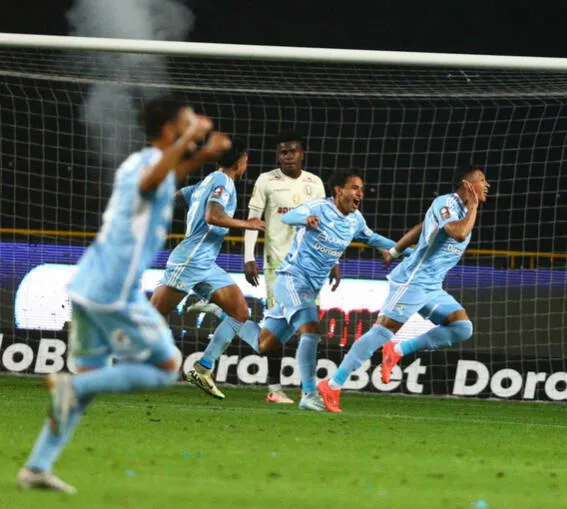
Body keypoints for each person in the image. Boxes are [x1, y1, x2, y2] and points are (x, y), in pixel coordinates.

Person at [17, 96, 228, 493]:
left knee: (91, 378)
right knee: (167, 367)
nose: (194, 128)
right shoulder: (148, 167)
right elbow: (153, 181)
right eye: (187, 123)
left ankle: (37, 466)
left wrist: (202, 155)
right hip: (113, 291)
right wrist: (193, 143)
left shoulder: (148, 164)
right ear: (170, 131)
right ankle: (71, 387)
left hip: (89, 286)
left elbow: (164, 176)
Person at [197, 168, 410, 411]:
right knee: (312, 328)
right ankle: (309, 394)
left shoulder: (356, 219)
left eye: (361, 189)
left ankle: (223, 312)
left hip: (309, 287)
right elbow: (288, 218)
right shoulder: (319, 207)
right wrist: (304, 219)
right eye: (354, 187)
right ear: (339, 191)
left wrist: (408, 252)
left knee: (264, 344)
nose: (360, 193)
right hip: (291, 279)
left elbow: (374, 239)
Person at [317, 165, 490, 413]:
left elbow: (423, 226)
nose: (487, 185)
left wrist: (396, 250)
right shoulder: (449, 204)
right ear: (467, 184)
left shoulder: (458, 210)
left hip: (431, 286)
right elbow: (458, 233)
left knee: (462, 327)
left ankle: (397, 350)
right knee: (381, 332)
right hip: (413, 281)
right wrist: (473, 207)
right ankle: (332, 384)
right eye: (482, 180)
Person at [189, 130, 338, 404]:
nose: (287, 157)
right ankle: (277, 388)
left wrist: (334, 260)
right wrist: (248, 256)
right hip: (278, 267)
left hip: (311, 268)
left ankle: (222, 312)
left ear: (302, 153)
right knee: (288, 329)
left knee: (291, 330)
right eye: (282, 152)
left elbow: (326, 225)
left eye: (292, 151)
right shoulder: (266, 181)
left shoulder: (315, 184)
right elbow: (253, 219)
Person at [149, 138, 264, 400]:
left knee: (239, 311)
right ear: (239, 163)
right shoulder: (223, 182)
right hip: (190, 259)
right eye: (246, 159)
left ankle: (203, 368)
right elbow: (213, 215)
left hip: (205, 263)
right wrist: (249, 224)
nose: (247, 163)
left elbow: (180, 197)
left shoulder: (209, 181)